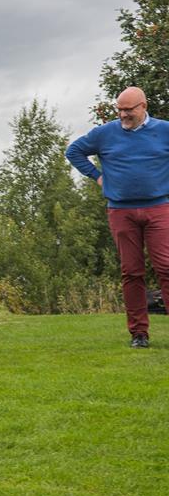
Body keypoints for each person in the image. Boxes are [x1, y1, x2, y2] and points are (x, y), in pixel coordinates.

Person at [66, 86, 169, 348]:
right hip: (121, 211)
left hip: (159, 208)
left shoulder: (164, 130)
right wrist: (97, 176)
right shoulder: (104, 133)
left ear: (143, 106)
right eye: (120, 109)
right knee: (131, 272)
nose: (123, 114)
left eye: (128, 109)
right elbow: (73, 151)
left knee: (166, 267)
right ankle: (139, 334)